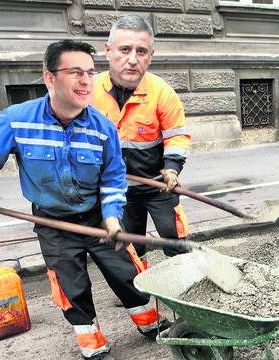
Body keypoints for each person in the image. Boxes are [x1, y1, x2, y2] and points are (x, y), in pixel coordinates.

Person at [0, 40, 159, 360]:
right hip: (52, 222)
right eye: (75, 72)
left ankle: (149, 322)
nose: (85, 80)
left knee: (127, 271)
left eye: (91, 72)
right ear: (50, 78)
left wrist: (111, 215)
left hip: (96, 216)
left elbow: (113, 177)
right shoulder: (18, 120)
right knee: (70, 285)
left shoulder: (102, 128)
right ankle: (91, 342)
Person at [91, 15, 191, 269]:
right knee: (131, 241)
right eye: (125, 49)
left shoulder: (161, 92)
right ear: (108, 51)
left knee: (174, 236)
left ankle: (185, 281)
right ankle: (139, 286)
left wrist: (172, 169)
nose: (133, 59)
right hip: (118, 189)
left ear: (151, 55)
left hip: (158, 185)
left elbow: (176, 135)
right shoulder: (89, 92)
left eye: (141, 51)